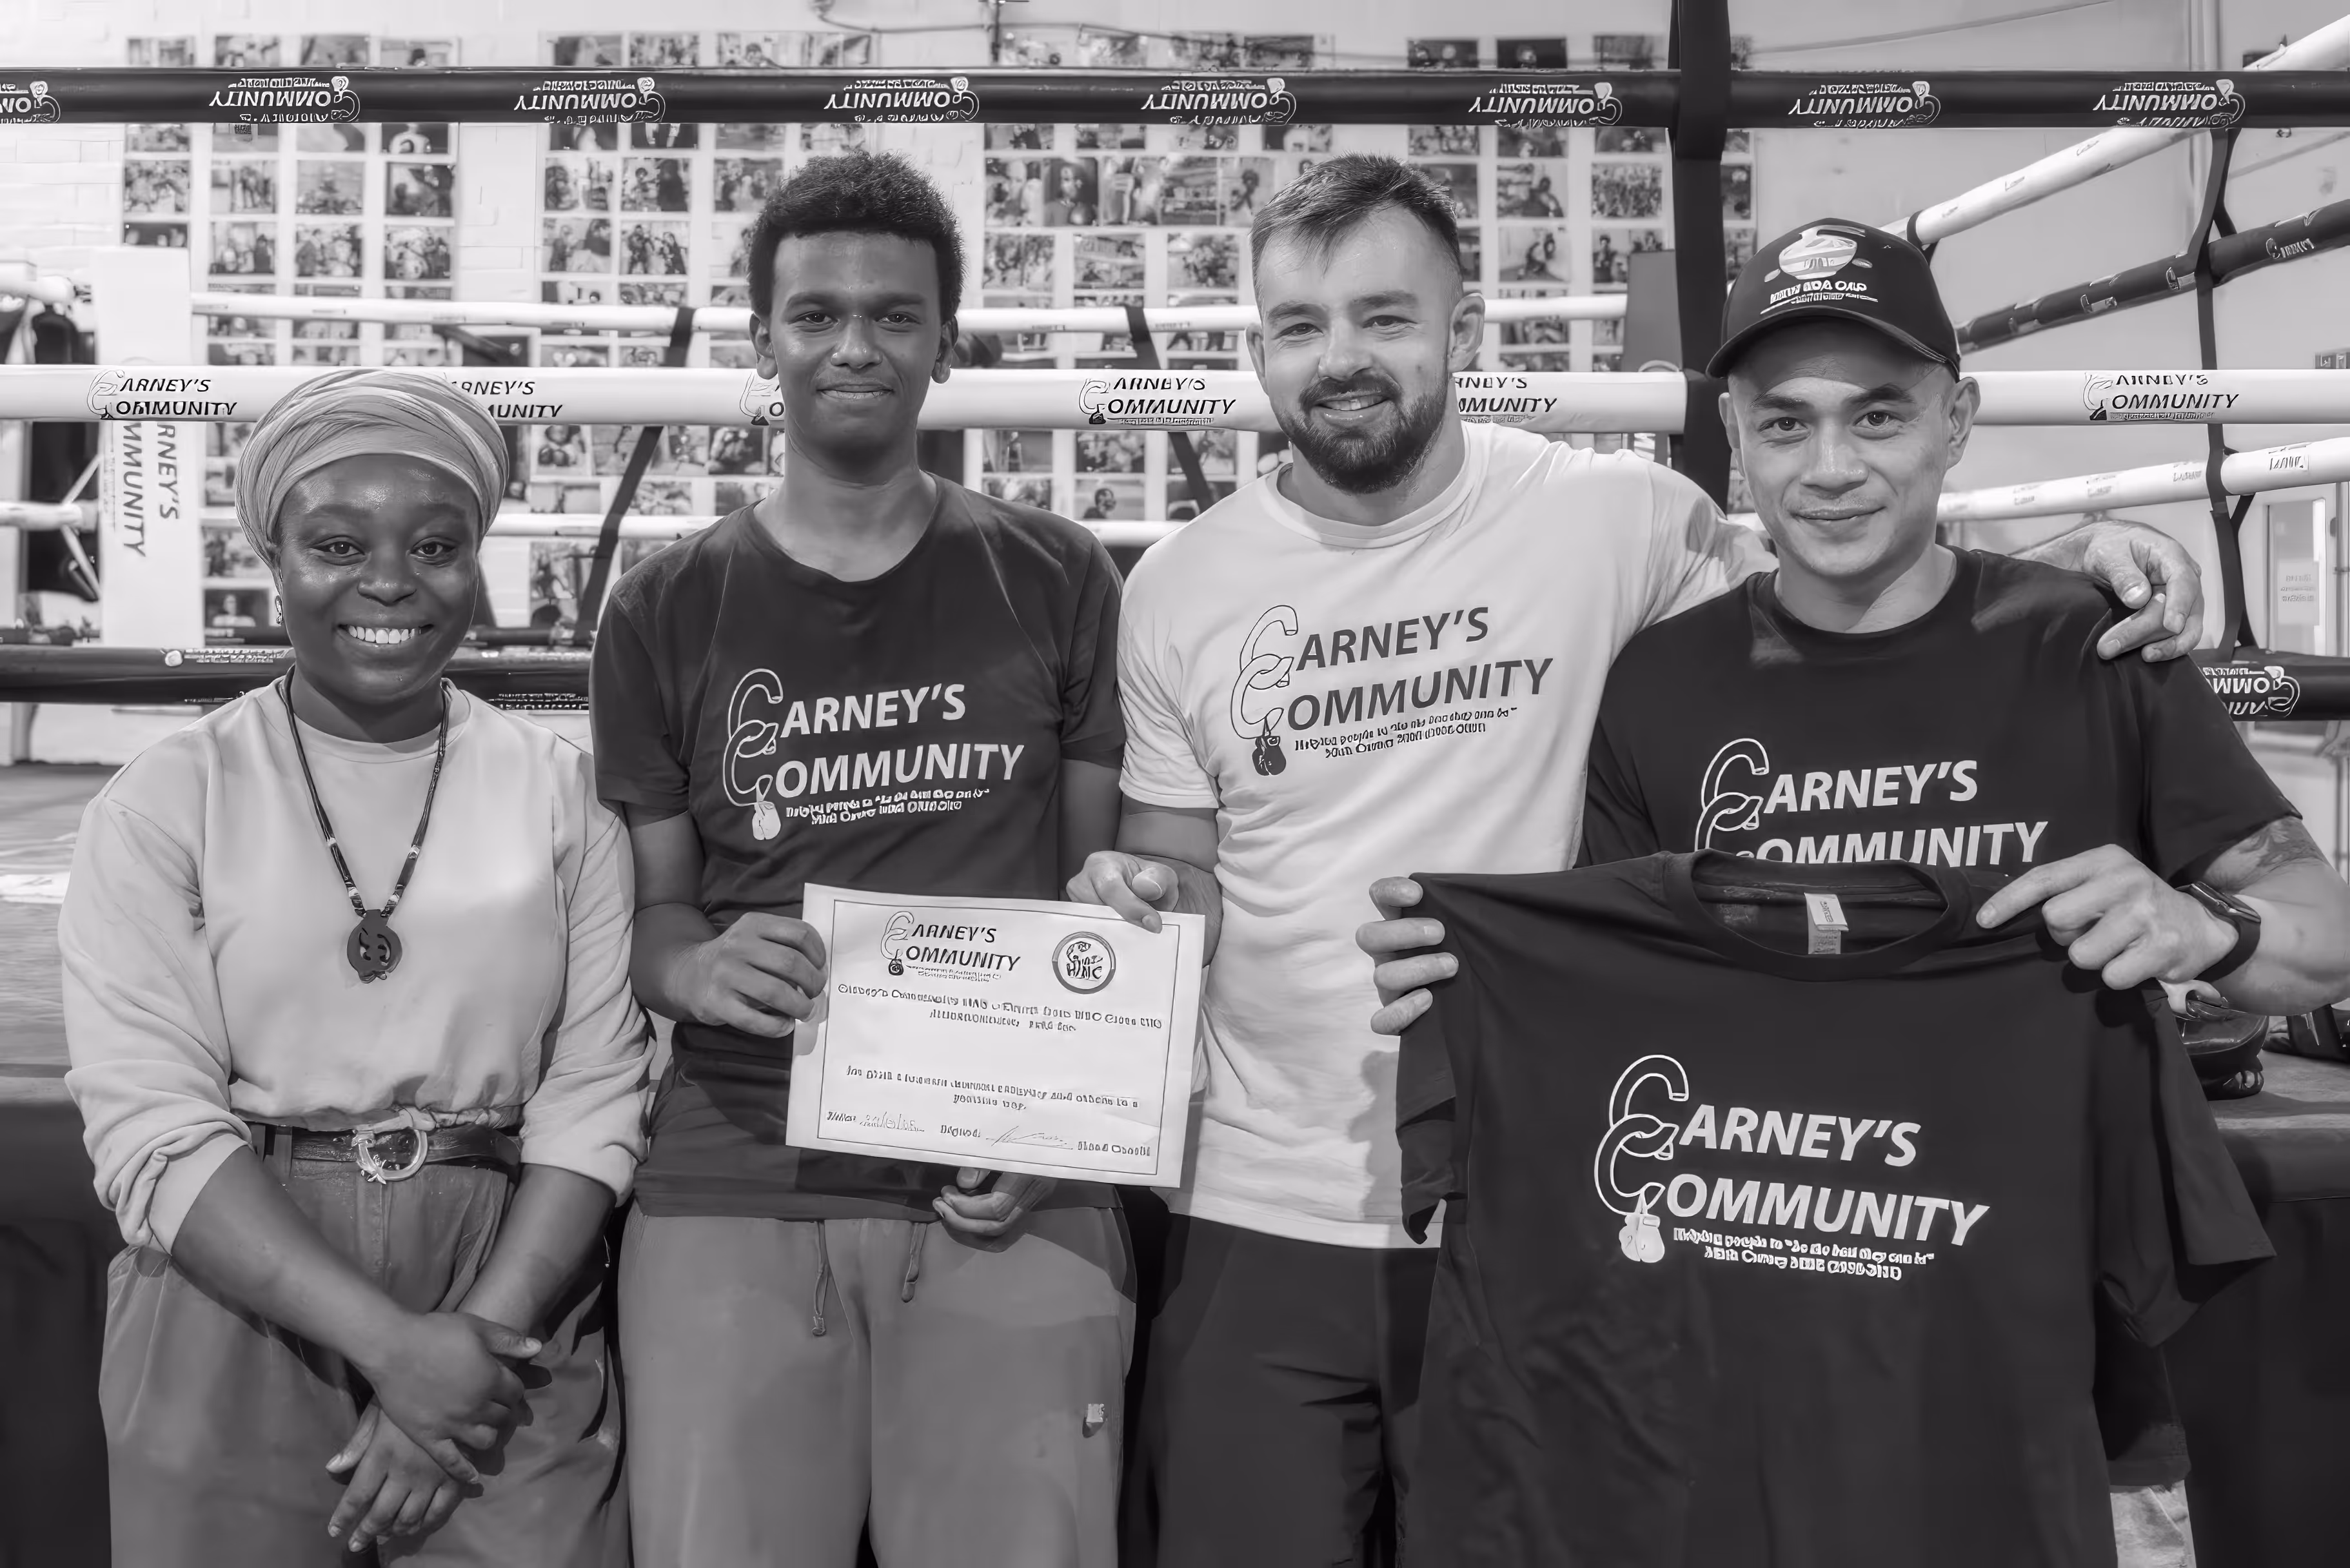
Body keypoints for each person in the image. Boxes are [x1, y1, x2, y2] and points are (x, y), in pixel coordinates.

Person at [1069, 159, 2206, 1567]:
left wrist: (2059, 558)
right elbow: (1174, 868)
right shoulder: (1179, 583)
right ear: (1257, 348)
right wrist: (1133, 899)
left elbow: (1845, 554)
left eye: (1384, 316)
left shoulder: (1615, 516)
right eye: (1298, 325)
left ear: (1463, 329)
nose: (1342, 358)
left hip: (1553, 1200)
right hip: (1261, 1198)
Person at [1358, 216, 2350, 1564]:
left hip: (2025, 1379)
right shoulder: (1658, 682)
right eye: (1786, 425)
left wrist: (2204, 924)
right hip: (1733, 1381)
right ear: (1733, 434)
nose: (1830, 469)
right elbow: (1618, 1002)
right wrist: (1464, 979)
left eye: (1877, 417)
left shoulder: (2091, 644)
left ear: (1958, 418)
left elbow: (2324, 940)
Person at [591, 150, 1133, 1568]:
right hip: (737, 1177)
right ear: (761, 338)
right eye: (816, 312)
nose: (853, 344)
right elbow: (652, 920)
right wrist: (700, 964)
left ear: (944, 343)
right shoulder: (664, 608)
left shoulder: (1062, 574)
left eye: (894, 315)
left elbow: (1097, 907)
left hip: (1009, 1182)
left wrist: (1053, 1132)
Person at [61, 369, 650, 1565]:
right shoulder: (171, 796)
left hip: (508, 1293)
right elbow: (151, 1119)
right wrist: (395, 1347)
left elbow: (593, 1092)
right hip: (237, 1284)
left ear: (477, 560)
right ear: (271, 557)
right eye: (337, 543)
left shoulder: (558, 791)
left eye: (436, 545)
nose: (390, 580)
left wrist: (464, 1345)